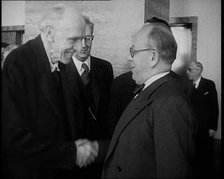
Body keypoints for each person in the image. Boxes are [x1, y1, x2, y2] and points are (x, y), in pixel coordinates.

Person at [1, 4, 100, 179]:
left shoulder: (64, 63)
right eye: (72, 40)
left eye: (82, 39)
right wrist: (71, 153)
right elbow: (14, 139)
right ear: (49, 33)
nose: (78, 48)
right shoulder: (19, 63)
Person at [102, 17, 196, 179]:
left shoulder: (171, 103)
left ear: (153, 57)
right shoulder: (154, 90)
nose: (129, 58)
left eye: (134, 51)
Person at [64, 15, 114, 178]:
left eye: (88, 38)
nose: (84, 45)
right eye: (79, 39)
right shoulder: (58, 71)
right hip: (71, 157)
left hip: (99, 155)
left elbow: (108, 111)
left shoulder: (105, 68)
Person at [186, 61, 219, 178]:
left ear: (198, 70)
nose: (187, 72)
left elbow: (214, 107)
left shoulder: (209, 84)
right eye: (187, 69)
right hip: (189, 128)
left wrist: (212, 127)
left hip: (205, 128)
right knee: (190, 155)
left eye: (190, 70)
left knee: (205, 156)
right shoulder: (185, 85)